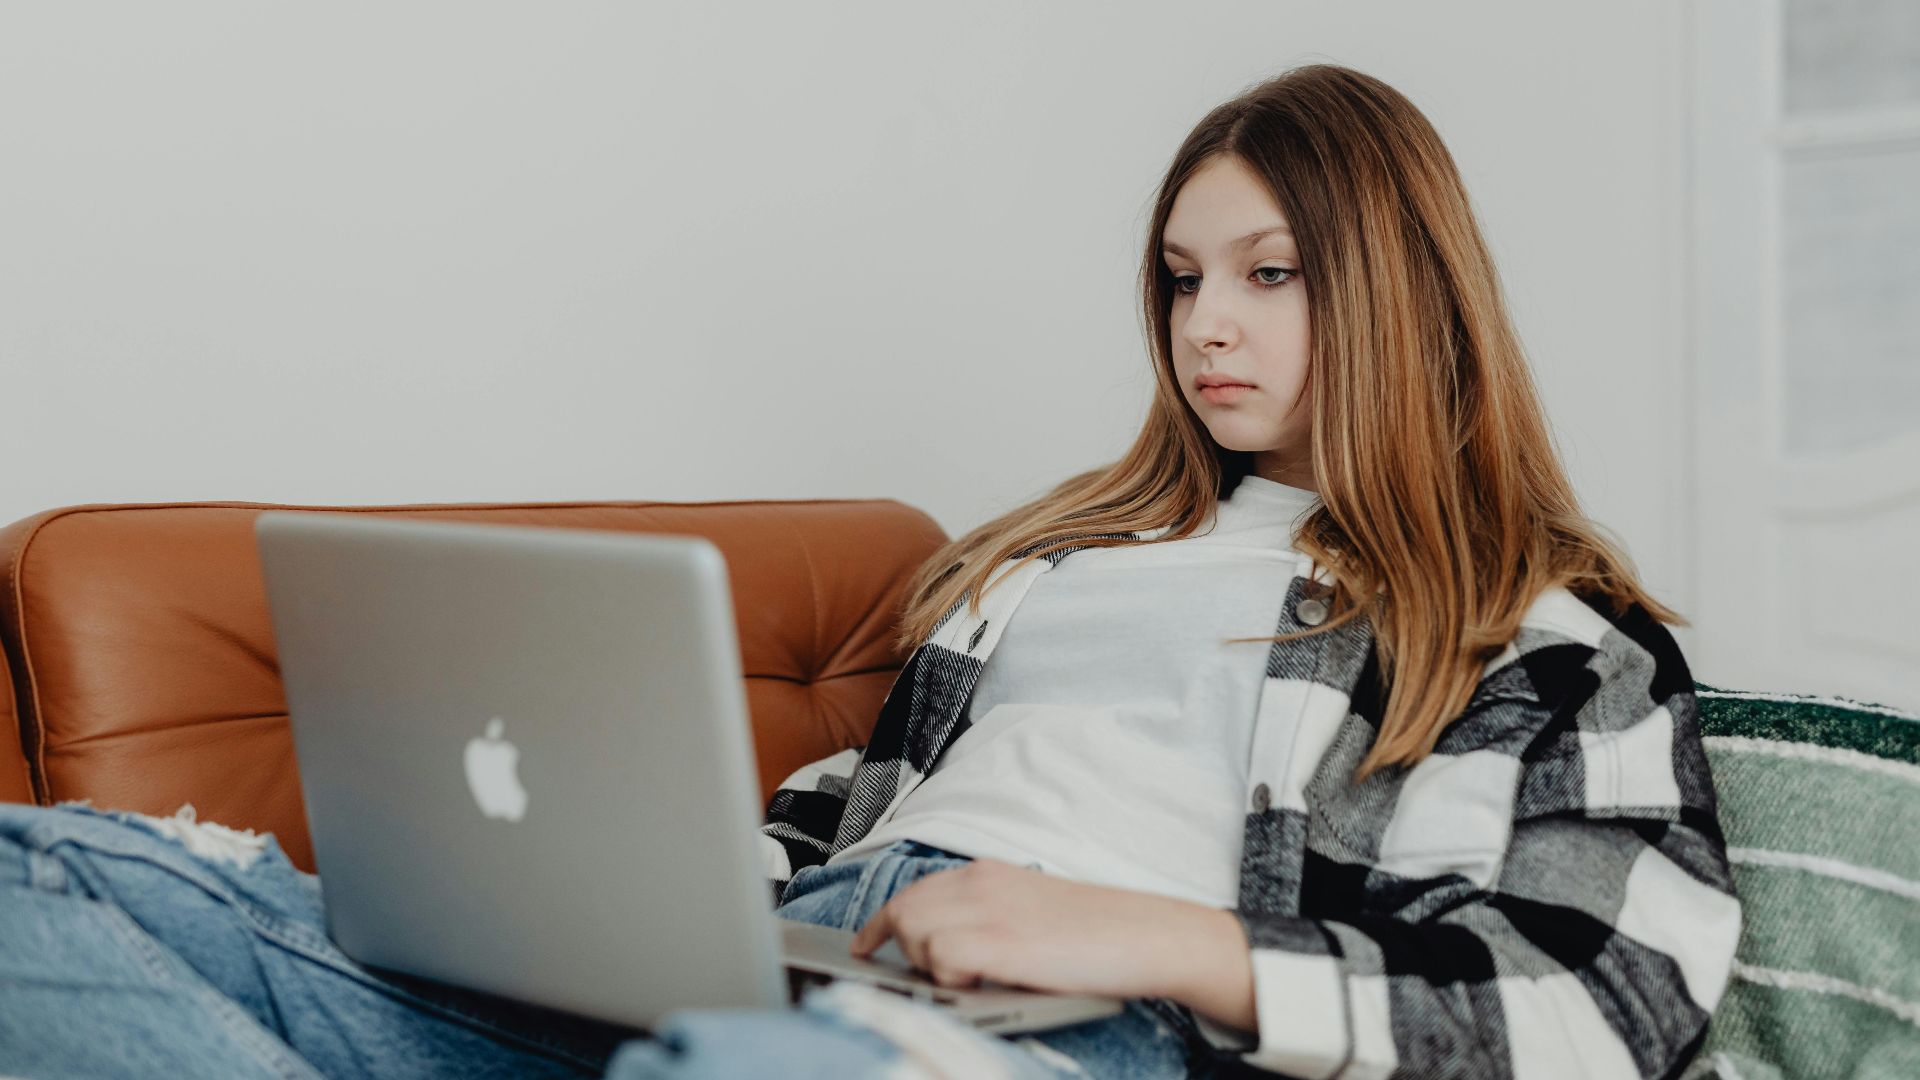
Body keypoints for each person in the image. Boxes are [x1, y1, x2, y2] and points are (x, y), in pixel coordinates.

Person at [0, 63, 1739, 1079]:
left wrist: (1176, 940)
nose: (1207, 324)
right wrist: (628, 888)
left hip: (1071, 1020)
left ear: (1400, 289)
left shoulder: (1549, 640)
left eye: (1272, 274)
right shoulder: (1046, 560)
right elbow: (846, 815)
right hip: (811, 957)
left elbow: (1609, 1005)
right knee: (35, 871)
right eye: (1181, 276)